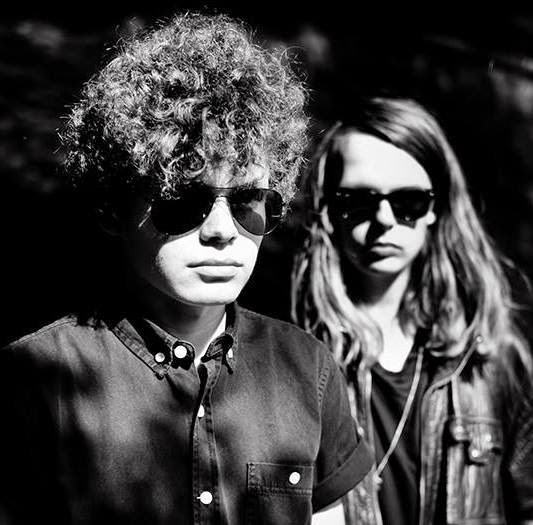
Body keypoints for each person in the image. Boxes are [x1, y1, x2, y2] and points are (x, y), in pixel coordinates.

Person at [0, 13, 372, 525]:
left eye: (247, 202)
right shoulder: (33, 380)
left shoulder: (309, 369)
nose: (221, 230)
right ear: (113, 209)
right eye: (182, 201)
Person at [292, 97, 533, 525]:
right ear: (328, 210)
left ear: (436, 208)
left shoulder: (493, 358)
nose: (384, 219)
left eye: (408, 202)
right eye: (358, 200)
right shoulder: (293, 359)